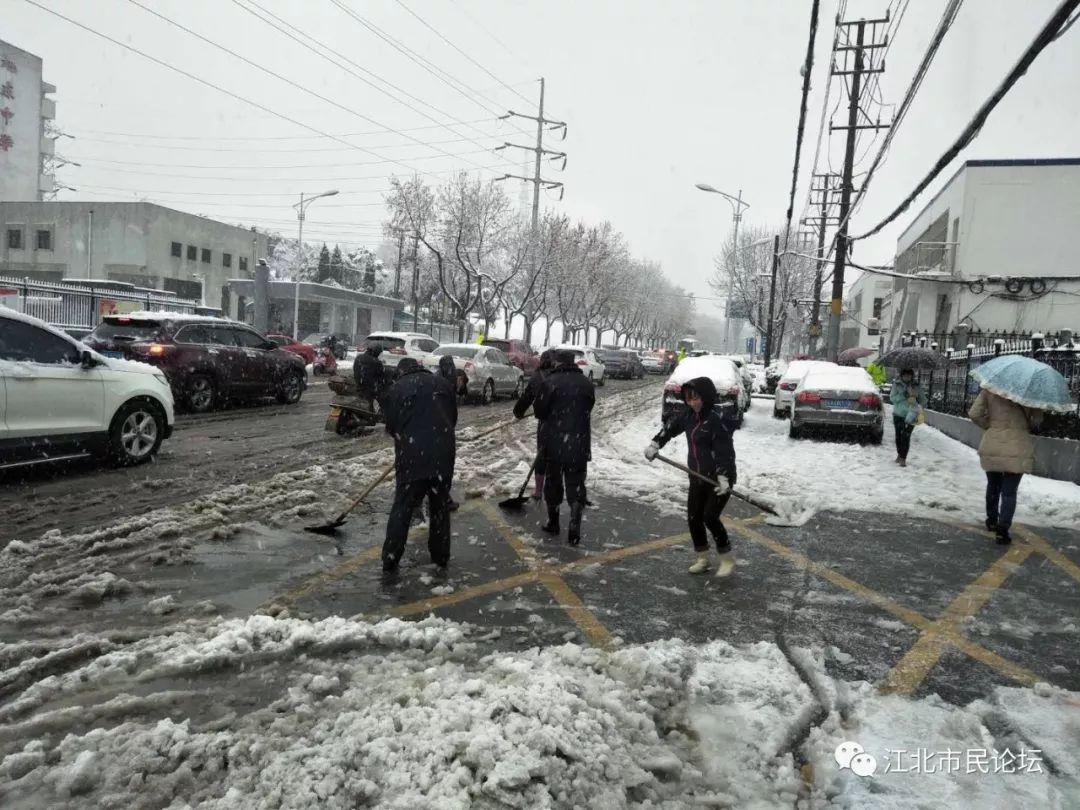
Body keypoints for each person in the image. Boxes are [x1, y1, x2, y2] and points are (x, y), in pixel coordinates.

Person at [644, 377, 738, 577]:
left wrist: (724, 477)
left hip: (718, 479)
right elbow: (670, 429)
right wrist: (656, 443)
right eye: (689, 399)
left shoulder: (715, 421)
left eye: (696, 399)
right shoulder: (688, 416)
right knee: (694, 518)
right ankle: (703, 558)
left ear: (707, 398)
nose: (693, 403)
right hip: (697, 477)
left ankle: (727, 558)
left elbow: (725, 453)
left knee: (710, 517)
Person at [380, 357, 458, 572]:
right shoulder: (442, 384)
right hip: (443, 454)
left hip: (412, 456)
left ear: (401, 372)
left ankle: (391, 557)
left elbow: (391, 425)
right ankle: (440, 555)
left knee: (403, 507)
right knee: (439, 506)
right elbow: (452, 418)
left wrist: (407, 438)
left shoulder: (397, 388)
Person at [533, 349, 595, 545]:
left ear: (558, 363)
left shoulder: (550, 382)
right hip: (579, 441)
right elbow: (589, 406)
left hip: (554, 442)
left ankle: (553, 521)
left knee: (553, 482)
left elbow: (539, 411)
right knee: (575, 483)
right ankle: (575, 522)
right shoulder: (586, 383)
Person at [968, 387, 1042, 545]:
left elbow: (974, 413)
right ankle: (1002, 529)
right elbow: (1036, 422)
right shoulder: (1030, 394)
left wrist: (991, 426)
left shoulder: (990, 389)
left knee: (993, 485)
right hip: (1018, 445)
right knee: (1009, 492)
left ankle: (992, 520)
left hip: (993, 442)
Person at [514, 349, 555, 499]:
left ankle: (539, 490)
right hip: (565, 422)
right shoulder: (562, 375)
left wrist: (518, 412)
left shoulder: (539, 376)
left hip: (546, 422)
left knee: (542, 456)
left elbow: (528, 396)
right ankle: (557, 488)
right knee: (559, 456)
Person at [889, 368, 926, 467]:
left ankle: (903, 458)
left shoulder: (916, 386)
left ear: (912, 376)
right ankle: (899, 454)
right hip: (898, 414)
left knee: (906, 436)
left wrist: (917, 403)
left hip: (912, 415)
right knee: (898, 437)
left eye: (909, 375)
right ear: (901, 376)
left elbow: (923, 400)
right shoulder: (897, 385)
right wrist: (903, 395)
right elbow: (892, 398)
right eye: (905, 375)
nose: (907, 377)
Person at [353, 343, 386, 417]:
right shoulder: (376, 362)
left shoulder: (358, 358)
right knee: (383, 398)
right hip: (370, 389)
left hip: (358, 385)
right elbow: (381, 377)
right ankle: (381, 415)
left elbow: (355, 370)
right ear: (376, 352)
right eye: (378, 352)